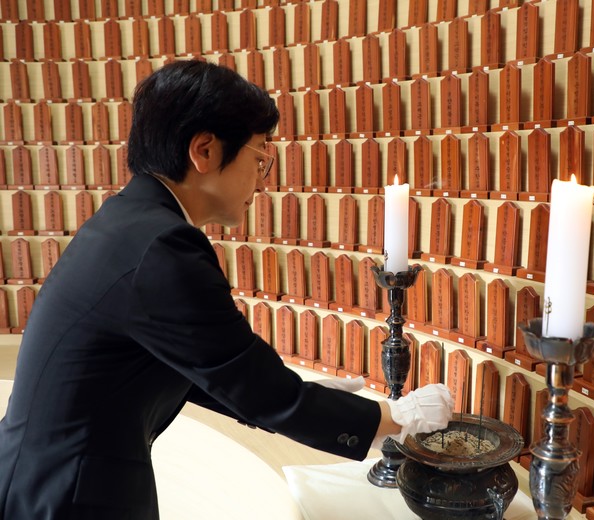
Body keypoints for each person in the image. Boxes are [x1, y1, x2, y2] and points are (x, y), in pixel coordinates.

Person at [0, 60, 454, 520]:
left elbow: (205, 366)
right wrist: (396, 419)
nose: (262, 180)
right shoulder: (163, 247)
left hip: (46, 478)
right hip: (67, 496)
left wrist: (304, 392)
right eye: (259, 159)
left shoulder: (129, 222)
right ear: (204, 150)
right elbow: (252, 383)